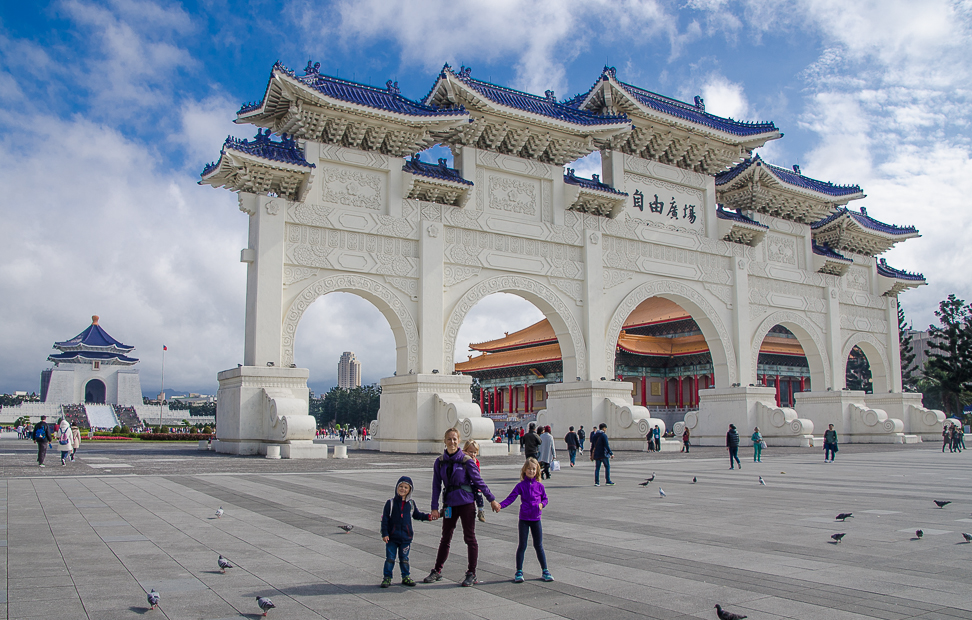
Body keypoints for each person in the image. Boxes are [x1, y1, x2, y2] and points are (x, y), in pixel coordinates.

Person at [424, 428, 501, 587]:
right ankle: (437, 570)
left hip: (466, 504)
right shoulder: (439, 462)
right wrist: (434, 507)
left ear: (459, 441)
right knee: (445, 537)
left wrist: (491, 499)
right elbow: (436, 486)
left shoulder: (466, 461)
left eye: (454, 439)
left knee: (469, 538)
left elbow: (479, 482)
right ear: (444, 441)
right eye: (449, 439)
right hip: (450, 505)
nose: (452, 442)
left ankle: (471, 573)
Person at [498, 457, 552, 583]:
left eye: (533, 469)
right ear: (524, 470)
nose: (531, 471)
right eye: (529, 469)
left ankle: (545, 570)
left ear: (537, 471)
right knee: (522, 545)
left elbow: (545, 499)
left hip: (536, 519)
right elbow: (511, 498)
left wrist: (542, 505)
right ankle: (519, 571)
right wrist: (500, 505)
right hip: (524, 518)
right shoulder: (521, 486)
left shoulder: (540, 486)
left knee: (538, 545)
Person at [380, 475, 431, 588]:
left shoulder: (411, 504)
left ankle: (406, 576)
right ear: (397, 488)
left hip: (405, 538)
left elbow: (417, 515)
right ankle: (387, 577)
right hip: (392, 537)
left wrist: (428, 517)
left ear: (410, 490)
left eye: (406, 487)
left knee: (404, 559)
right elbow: (385, 520)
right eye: (401, 487)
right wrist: (385, 533)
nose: (403, 489)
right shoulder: (391, 503)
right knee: (390, 559)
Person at [462, 440, 487, 523]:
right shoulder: (463, 459)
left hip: (474, 483)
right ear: (465, 451)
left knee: (479, 495)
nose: (473, 454)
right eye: (470, 452)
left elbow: (477, 474)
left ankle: (481, 511)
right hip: (465, 483)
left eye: (475, 452)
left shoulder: (476, 461)